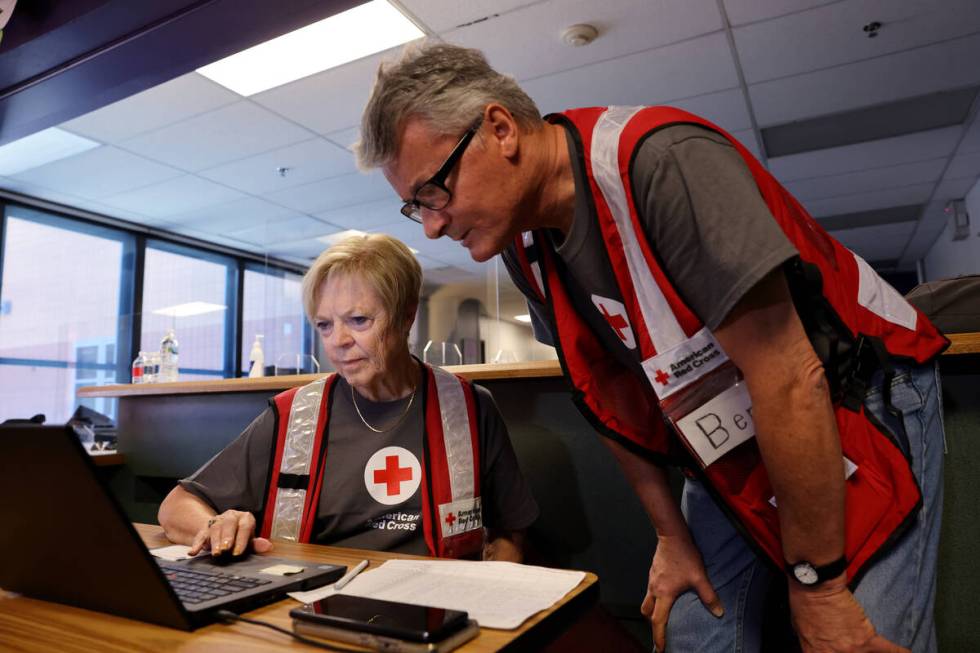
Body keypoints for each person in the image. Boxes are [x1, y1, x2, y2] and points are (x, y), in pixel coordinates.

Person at [354, 42, 947, 653]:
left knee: (852, 638)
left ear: (500, 129)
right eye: (414, 207)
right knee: (693, 634)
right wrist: (672, 535)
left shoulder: (660, 163)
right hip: (724, 434)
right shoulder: (519, 242)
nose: (431, 225)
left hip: (849, 397)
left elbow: (791, 378)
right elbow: (603, 393)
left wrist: (817, 586)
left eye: (433, 192)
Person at [159, 234, 538, 562]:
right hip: (316, 606)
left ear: (406, 316)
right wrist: (214, 526)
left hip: (438, 617)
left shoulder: (471, 407)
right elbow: (176, 506)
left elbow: (511, 532)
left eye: (359, 321)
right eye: (325, 325)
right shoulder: (292, 415)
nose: (338, 342)